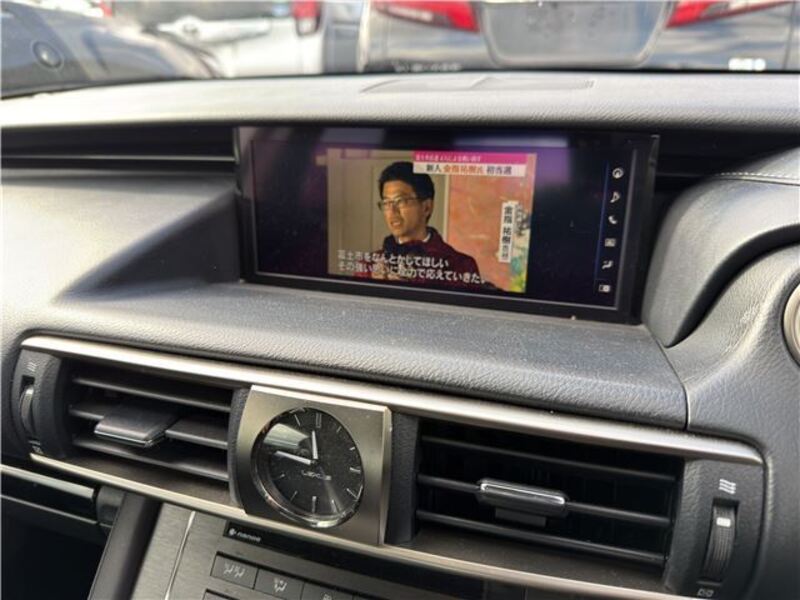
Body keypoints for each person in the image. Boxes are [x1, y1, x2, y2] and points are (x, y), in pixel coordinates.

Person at [363, 161, 482, 287]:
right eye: (387, 203)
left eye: (401, 201)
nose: (392, 211)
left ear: (426, 207)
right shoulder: (369, 265)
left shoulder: (461, 265)